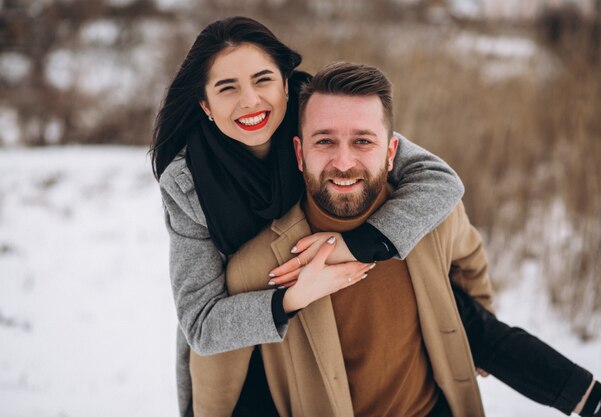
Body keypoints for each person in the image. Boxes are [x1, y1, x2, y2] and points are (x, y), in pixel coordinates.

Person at [193, 62, 601, 417]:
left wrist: (469, 331)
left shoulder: (431, 218)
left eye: (363, 141)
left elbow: (469, 260)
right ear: (300, 151)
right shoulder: (258, 263)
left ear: (391, 152)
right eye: (325, 141)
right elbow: (218, 379)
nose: (344, 162)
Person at [151, 16, 465, 417]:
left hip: (339, 323)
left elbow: (440, 180)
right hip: (250, 354)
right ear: (205, 105)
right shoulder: (187, 183)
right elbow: (201, 324)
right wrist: (292, 296)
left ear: (286, 84)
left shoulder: (323, 120)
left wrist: (350, 245)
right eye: (227, 88)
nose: (249, 101)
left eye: (262, 80)